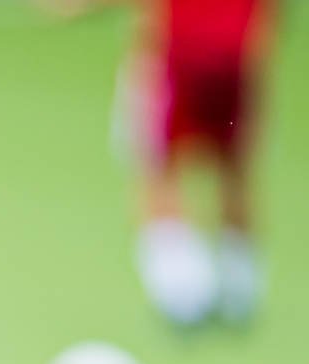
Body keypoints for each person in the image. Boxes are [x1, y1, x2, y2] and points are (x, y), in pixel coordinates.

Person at [55, 0, 276, 326]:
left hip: (174, 59)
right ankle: (239, 289)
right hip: (236, 60)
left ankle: (181, 294)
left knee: (157, 167)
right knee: (234, 170)